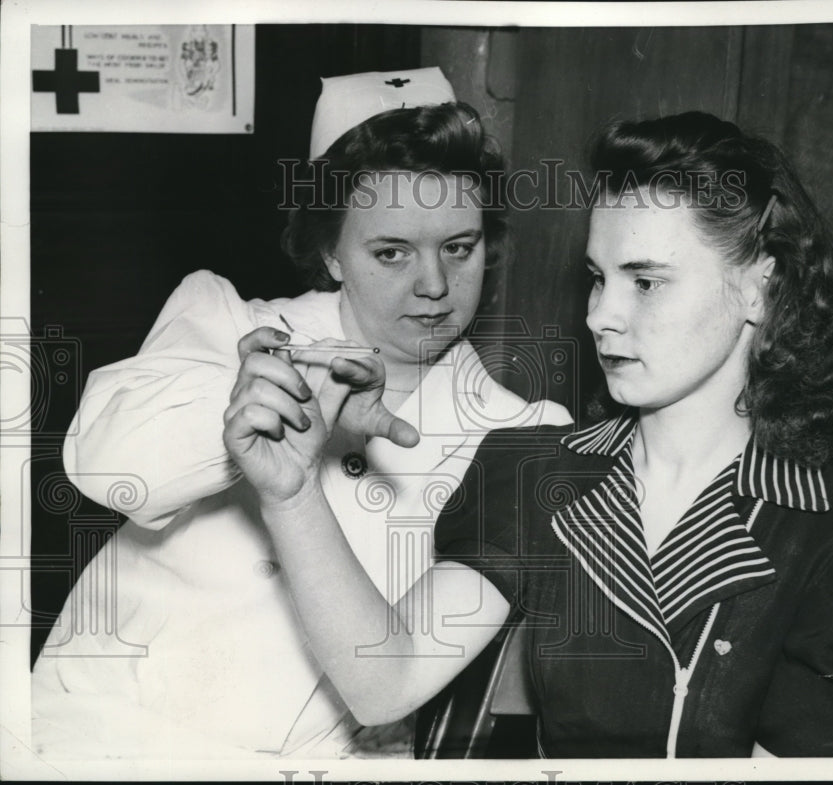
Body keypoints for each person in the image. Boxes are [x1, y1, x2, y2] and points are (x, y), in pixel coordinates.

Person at [222, 111, 833, 757]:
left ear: (758, 285)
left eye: (646, 280)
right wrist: (291, 496)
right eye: (597, 277)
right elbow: (384, 681)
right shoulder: (540, 471)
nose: (600, 315)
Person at [31, 67, 571, 760]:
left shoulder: (520, 432)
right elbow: (104, 468)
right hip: (87, 731)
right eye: (392, 251)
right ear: (330, 252)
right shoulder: (225, 321)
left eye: (458, 248)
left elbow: (402, 672)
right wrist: (250, 412)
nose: (434, 286)